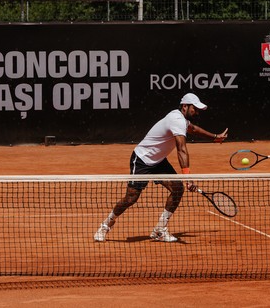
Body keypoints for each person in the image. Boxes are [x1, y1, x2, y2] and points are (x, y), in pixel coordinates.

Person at [94, 93, 228, 243]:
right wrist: (187, 177)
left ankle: (159, 229)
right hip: (142, 160)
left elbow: (194, 129)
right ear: (185, 106)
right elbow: (181, 149)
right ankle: (105, 226)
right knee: (131, 198)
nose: (196, 112)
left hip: (158, 162)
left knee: (177, 189)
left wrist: (215, 137)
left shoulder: (181, 119)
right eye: (194, 109)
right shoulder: (176, 119)